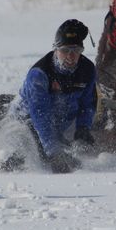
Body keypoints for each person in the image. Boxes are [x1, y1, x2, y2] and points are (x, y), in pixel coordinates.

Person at [13, 19, 97, 173]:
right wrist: (53, 152)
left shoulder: (88, 69)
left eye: (76, 50)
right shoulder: (39, 74)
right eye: (65, 50)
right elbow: (39, 114)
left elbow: (88, 103)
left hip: (58, 127)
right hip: (25, 124)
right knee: (25, 160)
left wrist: (83, 127)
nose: (71, 56)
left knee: (78, 162)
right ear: (56, 49)